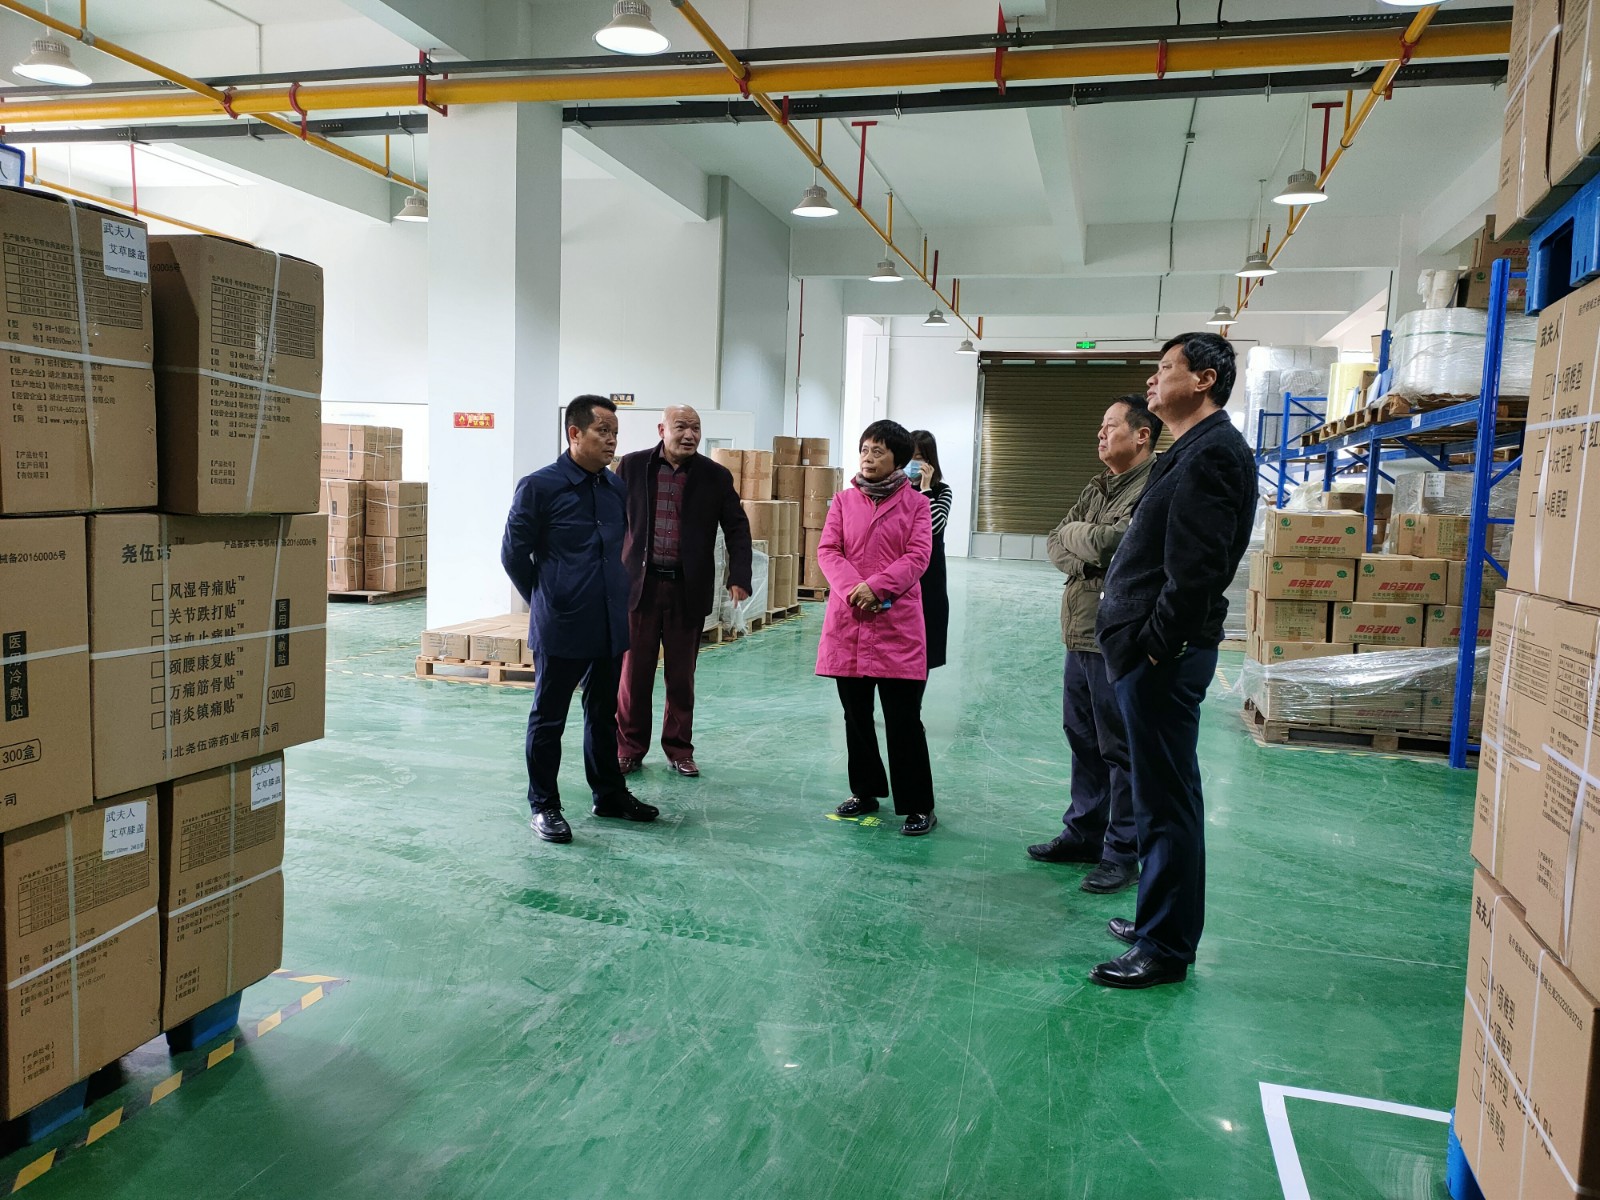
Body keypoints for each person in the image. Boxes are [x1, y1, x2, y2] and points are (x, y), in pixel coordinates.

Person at [1090, 333, 1256, 989]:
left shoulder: (1211, 455)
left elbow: (1197, 572)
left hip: (1161, 656)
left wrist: (1155, 645)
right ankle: (1158, 918)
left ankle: (1164, 947)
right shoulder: (1192, 449)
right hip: (1150, 652)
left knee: (1166, 803)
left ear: (1204, 380)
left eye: (1165, 369)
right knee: (1161, 795)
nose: (1152, 381)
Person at [501, 394, 660, 845]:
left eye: (615, 433)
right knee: (549, 718)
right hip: (562, 624)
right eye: (602, 431)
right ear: (574, 433)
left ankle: (608, 794)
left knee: (604, 713)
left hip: (609, 620)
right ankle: (544, 806)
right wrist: (548, 597)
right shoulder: (539, 487)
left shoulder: (614, 488)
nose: (612, 441)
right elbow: (513, 554)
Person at [1028, 396, 1160, 897]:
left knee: (1119, 749)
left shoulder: (1153, 485)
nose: (1100, 434)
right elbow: (1055, 541)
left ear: (1142, 434)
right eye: (1101, 427)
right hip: (1079, 632)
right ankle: (1083, 834)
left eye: (1110, 426)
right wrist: (1086, 551)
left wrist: (1082, 540)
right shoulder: (1099, 485)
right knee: (1082, 739)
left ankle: (1121, 852)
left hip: (1118, 638)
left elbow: (1119, 544)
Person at [615, 406, 753, 778]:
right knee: (633, 675)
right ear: (662, 429)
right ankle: (628, 748)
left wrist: (739, 576)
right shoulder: (632, 467)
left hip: (686, 589)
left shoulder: (715, 476)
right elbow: (610, 521)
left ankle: (679, 749)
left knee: (681, 676)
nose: (689, 435)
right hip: (639, 588)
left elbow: (737, 527)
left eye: (696, 428)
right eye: (681, 427)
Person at [815, 420, 937, 836]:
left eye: (878, 451)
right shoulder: (843, 501)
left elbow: (918, 556)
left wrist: (878, 587)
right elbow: (828, 550)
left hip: (895, 625)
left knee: (904, 719)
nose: (868, 458)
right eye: (865, 449)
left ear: (897, 459)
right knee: (856, 716)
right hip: (849, 622)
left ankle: (918, 804)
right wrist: (855, 588)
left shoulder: (917, 505)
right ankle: (865, 791)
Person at [907, 430, 951, 671]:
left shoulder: (942, 491)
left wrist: (925, 489)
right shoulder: (896, 490)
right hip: (903, 575)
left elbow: (935, 526)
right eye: (909, 456)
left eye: (919, 457)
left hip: (930, 577)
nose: (913, 463)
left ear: (930, 461)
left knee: (925, 646)